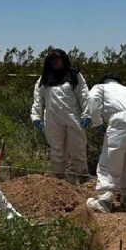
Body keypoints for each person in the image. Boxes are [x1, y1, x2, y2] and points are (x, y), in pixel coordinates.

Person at [85, 75, 126, 213]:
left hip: (121, 121)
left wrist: (97, 122)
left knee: (110, 160)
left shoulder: (100, 87)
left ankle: (105, 199)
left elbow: (91, 99)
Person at [30, 49, 91, 181]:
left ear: (64, 60)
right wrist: (36, 116)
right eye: (53, 59)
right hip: (52, 120)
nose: (56, 62)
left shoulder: (75, 76)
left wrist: (86, 114)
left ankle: (84, 178)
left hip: (73, 118)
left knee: (78, 148)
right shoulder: (44, 79)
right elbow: (38, 99)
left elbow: (84, 96)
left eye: (58, 59)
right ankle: (58, 181)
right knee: (56, 151)